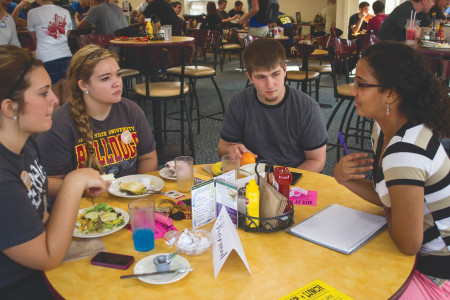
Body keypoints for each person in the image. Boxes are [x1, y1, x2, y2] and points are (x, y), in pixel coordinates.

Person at [333, 42, 450, 299]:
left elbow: (409, 244)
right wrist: (344, 179)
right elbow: (391, 196)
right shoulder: (386, 127)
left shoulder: (404, 152)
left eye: (362, 84)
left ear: (391, 94)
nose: (353, 91)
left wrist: (389, 211)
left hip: (436, 274)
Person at [0, 45, 109, 299]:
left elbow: (41, 215)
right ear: (10, 107)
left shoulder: (25, 143)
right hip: (22, 284)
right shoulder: (3, 179)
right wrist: (75, 180)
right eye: (43, 93)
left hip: (46, 267)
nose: (56, 100)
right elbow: (46, 257)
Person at [36, 45, 158, 202]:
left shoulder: (131, 110)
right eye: (105, 78)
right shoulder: (59, 124)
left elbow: (147, 157)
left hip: (128, 200)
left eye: (118, 75)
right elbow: (48, 182)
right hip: (83, 208)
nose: (117, 83)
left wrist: (137, 192)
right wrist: (83, 189)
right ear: (84, 85)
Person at [218, 38, 327, 172]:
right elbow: (223, 147)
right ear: (250, 77)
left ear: (285, 70)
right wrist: (230, 150)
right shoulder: (238, 103)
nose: (270, 85)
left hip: (294, 178)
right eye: (261, 77)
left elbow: (316, 160)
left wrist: (282, 181)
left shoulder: (308, 108)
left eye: (275, 74)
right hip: (251, 178)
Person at [27, 0, 72, 105]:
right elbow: (66, 36)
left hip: (46, 58)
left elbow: (35, 40)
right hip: (67, 56)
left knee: (52, 100)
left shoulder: (32, 13)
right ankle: (67, 121)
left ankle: (55, 122)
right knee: (68, 99)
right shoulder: (65, 11)